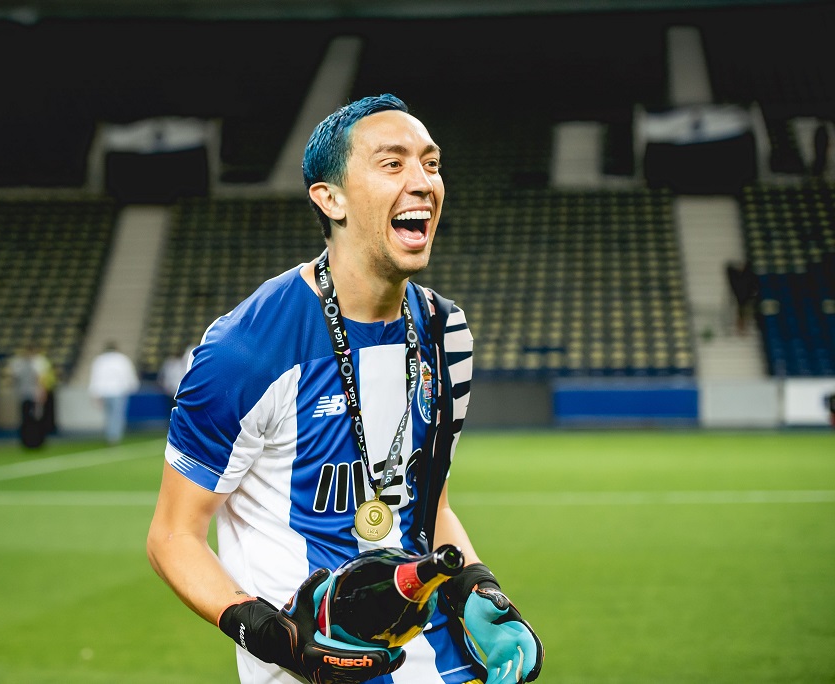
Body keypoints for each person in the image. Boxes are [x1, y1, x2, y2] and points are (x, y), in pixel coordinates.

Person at [146, 95, 543, 684]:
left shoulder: (446, 332)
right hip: (314, 668)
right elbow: (172, 536)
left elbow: (430, 506)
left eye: (431, 164)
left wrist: (477, 588)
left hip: (445, 662)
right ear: (329, 198)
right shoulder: (245, 350)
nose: (423, 182)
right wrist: (274, 636)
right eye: (393, 163)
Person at [88, 341, 139, 444]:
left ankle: (110, 434)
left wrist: (94, 393)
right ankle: (114, 437)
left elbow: (95, 378)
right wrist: (133, 387)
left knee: (109, 415)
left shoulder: (99, 360)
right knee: (117, 415)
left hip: (104, 392)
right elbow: (128, 374)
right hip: (118, 391)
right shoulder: (122, 359)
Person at [10, 345, 50, 449]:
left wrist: (41, 392)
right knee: (28, 419)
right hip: (26, 395)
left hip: (33, 395)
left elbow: (40, 379)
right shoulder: (21, 365)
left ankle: (35, 441)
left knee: (34, 419)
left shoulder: (36, 364)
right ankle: (29, 441)